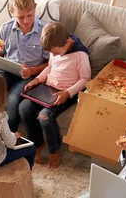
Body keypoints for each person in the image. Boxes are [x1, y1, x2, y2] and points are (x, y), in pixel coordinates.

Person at [20, 22, 91, 168]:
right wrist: (37, 79)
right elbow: (50, 67)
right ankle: (37, 143)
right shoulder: (55, 49)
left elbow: (86, 79)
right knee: (24, 107)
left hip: (67, 92)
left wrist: (67, 93)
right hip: (47, 88)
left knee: (45, 117)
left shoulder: (80, 55)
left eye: (56, 53)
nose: (53, 55)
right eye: (51, 53)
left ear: (67, 42)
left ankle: (54, 150)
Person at [0, 0, 49, 132]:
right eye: (21, 17)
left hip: (30, 75)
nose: (26, 21)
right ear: (11, 11)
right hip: (5, 70)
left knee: (12, 101)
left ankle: (10, 138)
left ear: (35, 7)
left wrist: (32, 71)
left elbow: (51, 63)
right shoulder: (5, 29)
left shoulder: (45, 32)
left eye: (29, 15)